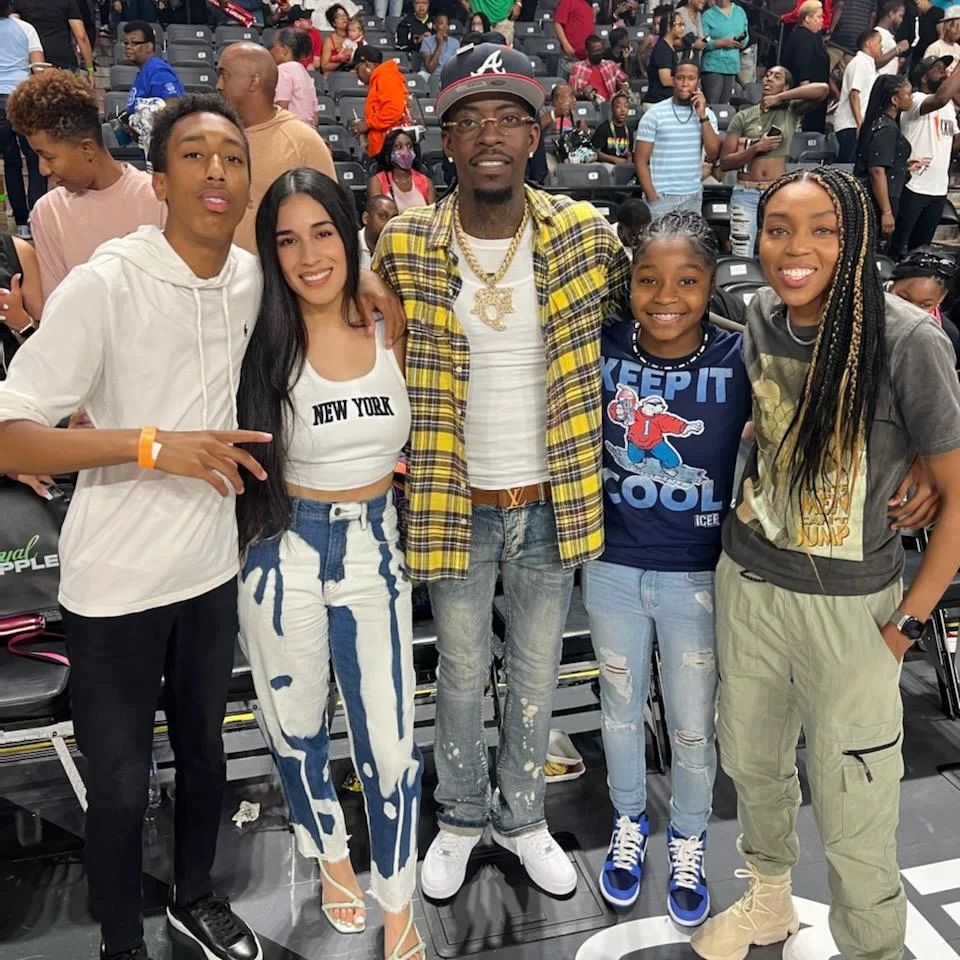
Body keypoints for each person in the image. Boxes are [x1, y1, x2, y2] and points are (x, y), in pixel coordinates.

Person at [0, 93, 265, 960]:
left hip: (210, 571)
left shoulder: (249, 278)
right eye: (193, 155)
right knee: (117, 787)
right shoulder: (107, 283)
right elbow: (11, 432)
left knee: (206, 758)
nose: (216, 170)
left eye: (232, 156)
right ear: (158, 181)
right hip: (114, 586)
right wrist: (150, 445)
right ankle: (121, 944)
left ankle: (196, 898)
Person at [373, 43, 631, 901]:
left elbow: (646, 325)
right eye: (471, 120)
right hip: (454, 498)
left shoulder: (585, 235)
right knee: (456, 671)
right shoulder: (405, 242)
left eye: (508, 118)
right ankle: (458, 817)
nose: (490, 135)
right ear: (445, 140)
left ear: (534, 134)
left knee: (534, 672)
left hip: (552, 500)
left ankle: (521, 818)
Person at [690, 166, 960, 960]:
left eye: (822, 231)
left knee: (856, 797)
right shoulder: (759, 316)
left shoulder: (907, 339)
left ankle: (873, 946)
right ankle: (769, 901)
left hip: (852, 610)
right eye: (779, 230)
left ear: (857, 237)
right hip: (750, 582)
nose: (796, 249)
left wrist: (906, 626)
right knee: (753, 762)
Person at [236, 167, 424, 960]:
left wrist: (370, 276)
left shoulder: (386, 318)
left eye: (323, 233)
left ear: (349, 236)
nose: (309, 255)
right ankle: (331, 855)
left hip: (376, 544)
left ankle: (399, 899)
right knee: (297, 725)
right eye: (287, 240)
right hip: (284, 547)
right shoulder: (257, 333)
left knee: (391, 743)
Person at [587, 211, 750, 922]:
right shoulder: (603, 345)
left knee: (691, 724)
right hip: (612, 567)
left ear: (711, 284)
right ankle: (628, 822)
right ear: (628, 283)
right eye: (648, 279)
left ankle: (687, 836)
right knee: (620, 713)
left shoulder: (741, 353)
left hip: (699, 576)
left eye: (687, 281)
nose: (665, 297)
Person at [8, 69, 165, 298]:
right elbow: (58, 308)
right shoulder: (48, 213)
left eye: (49, 157)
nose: (43, 170)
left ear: (87, 149)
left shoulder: (159, 198)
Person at [216, 42, 336, 255]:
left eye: (224, 75)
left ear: (253, 81)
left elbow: (331, 222)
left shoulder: (302, 141)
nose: (218, 85)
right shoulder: (215, 135)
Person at [719, 65, 828, 257]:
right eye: (767, 75)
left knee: (777, 253)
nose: (769, 78)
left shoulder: (791, 110)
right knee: (742, 253)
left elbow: (823, 89)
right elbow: (725, 162)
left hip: (776, 192)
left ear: (785, 87)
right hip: (746, 192)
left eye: (777, 77)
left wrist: (780, 98)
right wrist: (755, 148)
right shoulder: (743, 115)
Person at [890, 54, 960, 256]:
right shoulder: (915, 100)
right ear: (923, 77)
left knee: (922, 252)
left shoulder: (948, 107)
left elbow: (952, 144)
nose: (944, 72)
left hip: (938, 188)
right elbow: (940, 98)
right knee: (898, 248)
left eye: (945, 68)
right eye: (938, 68)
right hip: (914, 186)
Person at [635, 60, 722, 220]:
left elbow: (714, 153)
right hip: (661, 196)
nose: (685, 83)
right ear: (673, 80)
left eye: (691, 78)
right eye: (680, 78)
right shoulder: (654, 114)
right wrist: (652, 196)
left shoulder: (707, 115)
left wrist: (703, 117)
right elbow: (640, 160)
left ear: (698, 82)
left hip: (693, 196)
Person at [0, 0, 45, 241]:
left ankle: (21, 223)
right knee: (35, 158)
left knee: (11, 161)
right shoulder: (26, 28)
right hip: (22, 97)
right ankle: (36, 217)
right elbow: (38, 67)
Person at [855, 73, 915, 245]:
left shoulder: (881, 124)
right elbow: (876, 170)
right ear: (894, 100)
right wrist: (886, 211)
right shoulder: (886, 128)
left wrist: (904, 166)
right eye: (908, 94)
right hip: (880, 200)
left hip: (881, 195)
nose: (911, 98)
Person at [889, 250, 960, 366]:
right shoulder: (869, 315)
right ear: (891, 285)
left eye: (925, 305)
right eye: (903, 298)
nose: (911, 311)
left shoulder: (948, 335)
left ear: (941, 298)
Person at [780, 1, 830, 133]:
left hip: (815, 96)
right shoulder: (803, 37)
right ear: (807, 18)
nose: (822, 20)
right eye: (819, 17)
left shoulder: (812, 36)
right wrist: (805, 97)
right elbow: (803, 68)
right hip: (807, 98)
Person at [352, 46, 410, 159]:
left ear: (367, 64)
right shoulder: (381, 78)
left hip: (391, 148)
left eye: (357, 68)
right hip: (387, 146)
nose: (357, 74)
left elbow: (394, 109)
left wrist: (368, 124)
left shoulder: (385, 77)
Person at [13, 0, 94, 79]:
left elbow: (14, 29)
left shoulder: (19, 2)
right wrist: (90, 70)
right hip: (64, 59)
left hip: (33, 60)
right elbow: (81, 36)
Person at [834, 29, 882, 162]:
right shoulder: (859, 62)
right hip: (851, 124)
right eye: (879, 42)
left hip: (857, 124)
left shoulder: (869, 65)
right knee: (849, 166)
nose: (881, 46)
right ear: (868, 43)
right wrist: (860, 124)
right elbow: (854, 94)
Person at [368, 128, 436, 211]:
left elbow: (434, 215)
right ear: (389, 153)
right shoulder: (377, 182)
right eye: (398, 147)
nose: (405, 151)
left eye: (409, 146)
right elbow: (377, 215)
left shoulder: (426, 182)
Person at [123, 20, 184, 113]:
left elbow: (173, 105)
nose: (128, 47)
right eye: (126, 43)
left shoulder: (158, 71)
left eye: (134, 43)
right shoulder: (146, 70)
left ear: (149, 46)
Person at [700, 0, 748, 104]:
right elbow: (704, 39)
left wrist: (742, 42)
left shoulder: (740, 12)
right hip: (713, 66)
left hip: (731, 65)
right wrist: (721, 43)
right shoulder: (708, 15)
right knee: (712, 103)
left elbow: (746, 34)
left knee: (724, 105)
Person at [271, 28, 318, 125]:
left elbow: (281, 108)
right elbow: (315, 115)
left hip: (290, 128)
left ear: (285, 50)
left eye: (274, 46)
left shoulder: (283, 70)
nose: (271, 51)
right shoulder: (304, 73)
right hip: (308, 129)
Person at [643, 8, 684, 104]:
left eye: (683, 25)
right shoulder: (663, 49)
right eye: (679, 25)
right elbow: (665, 80)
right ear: (669, 27)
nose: (683, 28)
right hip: (657, 103)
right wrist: (685, 83)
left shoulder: (668, 47)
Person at [570, 33, 627, 101]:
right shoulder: (577, 68)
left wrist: (623, 86)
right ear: (587, 51)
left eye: (600, 50)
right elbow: (572, 92)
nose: (599, 53)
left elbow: (624, 79)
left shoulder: (610, 65)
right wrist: (584, 94)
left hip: (609, 103)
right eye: (596, 51)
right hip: (588, 103)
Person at [554, 0, 595, 77]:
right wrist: (565, 44)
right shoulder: (568, 1)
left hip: (586, 58)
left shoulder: (588, 6)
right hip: (571, 57)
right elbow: (558, 23)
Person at [591, 90, 632, 163]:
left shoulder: (628, 130)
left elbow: (629, 152)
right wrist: (615, 160)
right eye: (618, 106)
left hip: (623, 165)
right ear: (612, 109)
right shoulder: (603, 128)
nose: (623, 110)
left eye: (626, 106)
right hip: (606, 164)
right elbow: (596, 153)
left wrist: (629, 162)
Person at [359, 192, 398, 269]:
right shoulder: (350, 245)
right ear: (365, 218)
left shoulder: (397, 247)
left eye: (393, 218)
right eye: (382, 216)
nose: (389, 223)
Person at [876, 0, 910, 76]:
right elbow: (874, 62)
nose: (902, 20)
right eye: (900, 16)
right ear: (891, 14)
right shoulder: (878, 34)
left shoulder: (886, 34)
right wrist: (898, 48)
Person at [286, 5, 323, 69]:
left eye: (309, 17)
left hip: (308, 70)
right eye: (306, 19)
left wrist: (312, 65)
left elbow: (317, 60)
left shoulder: (315, 33)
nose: (310, 21)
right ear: (297, 23)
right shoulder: (286, 35)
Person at [320, 3, 351, 73]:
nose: (344, 18)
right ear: (333, 23)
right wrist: (342, 63)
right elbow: (324, 67)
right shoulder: (329, 41)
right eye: (339, 16)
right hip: (334, 75)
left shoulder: (355, 36)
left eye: (345, 15)